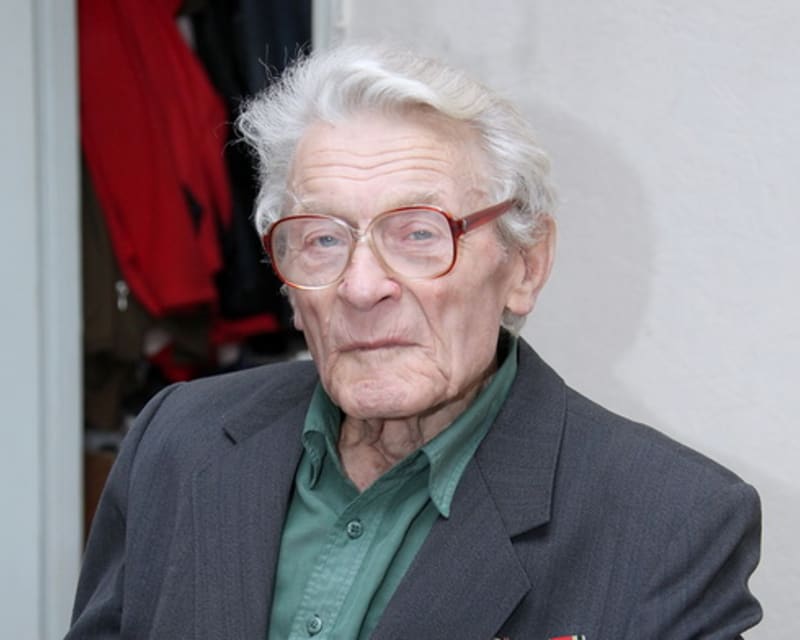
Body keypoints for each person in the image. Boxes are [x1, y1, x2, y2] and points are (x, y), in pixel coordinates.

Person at [66, 44, 762, 639]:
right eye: (322, 239)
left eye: (419, 233)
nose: (361, 286)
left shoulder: (670, 520)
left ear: (524, 265)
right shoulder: (177, 439)